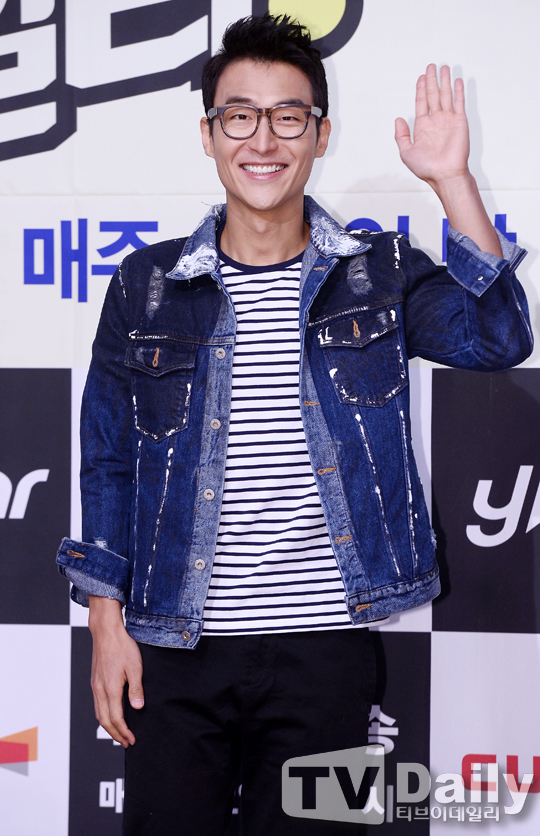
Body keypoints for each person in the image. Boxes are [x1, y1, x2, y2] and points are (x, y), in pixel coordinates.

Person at [56, 13, 532, 836]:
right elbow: (107, 458)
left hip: (325, 652)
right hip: (174, 646)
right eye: (240, 116)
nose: (263, 140)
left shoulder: (376, 273)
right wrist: (105, 620)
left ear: (320, 134)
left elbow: (498, 338)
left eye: (288, 116)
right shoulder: (146, 284)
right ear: (208, 134)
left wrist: (453, 181)